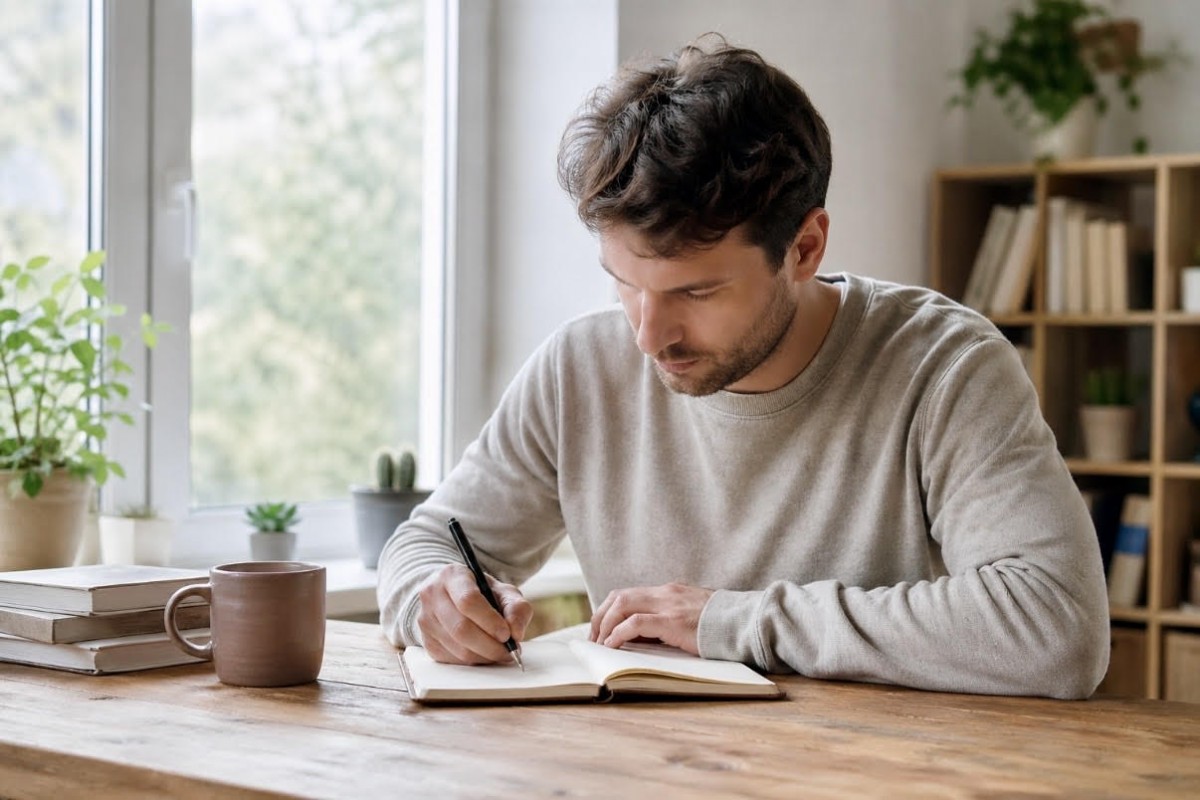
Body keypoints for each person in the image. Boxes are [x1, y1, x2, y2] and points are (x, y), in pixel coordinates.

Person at [377, 35, 1110, 699]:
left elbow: (1057, 627)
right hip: (644, 770)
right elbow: (425, 543)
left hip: (873, 771)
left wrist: (734, 622)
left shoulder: (945, 367)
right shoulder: (579, 369)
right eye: (625, 283)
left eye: (695, 292)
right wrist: (432, 599)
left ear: (805, 248)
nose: (648, 336)